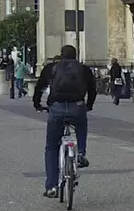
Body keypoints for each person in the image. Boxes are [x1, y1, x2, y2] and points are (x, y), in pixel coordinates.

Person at [33, 44, 97, 198]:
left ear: (61, 55)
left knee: (51, 147)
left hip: (56, 108)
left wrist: (38, 104)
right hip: (77, 107)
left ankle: (51, 186)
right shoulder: (84, 69)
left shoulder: (51, 68)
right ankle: (81, 152)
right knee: (81, 125)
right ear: (75, 55)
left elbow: (39, 88)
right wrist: (88, 106)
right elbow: (92, 90)